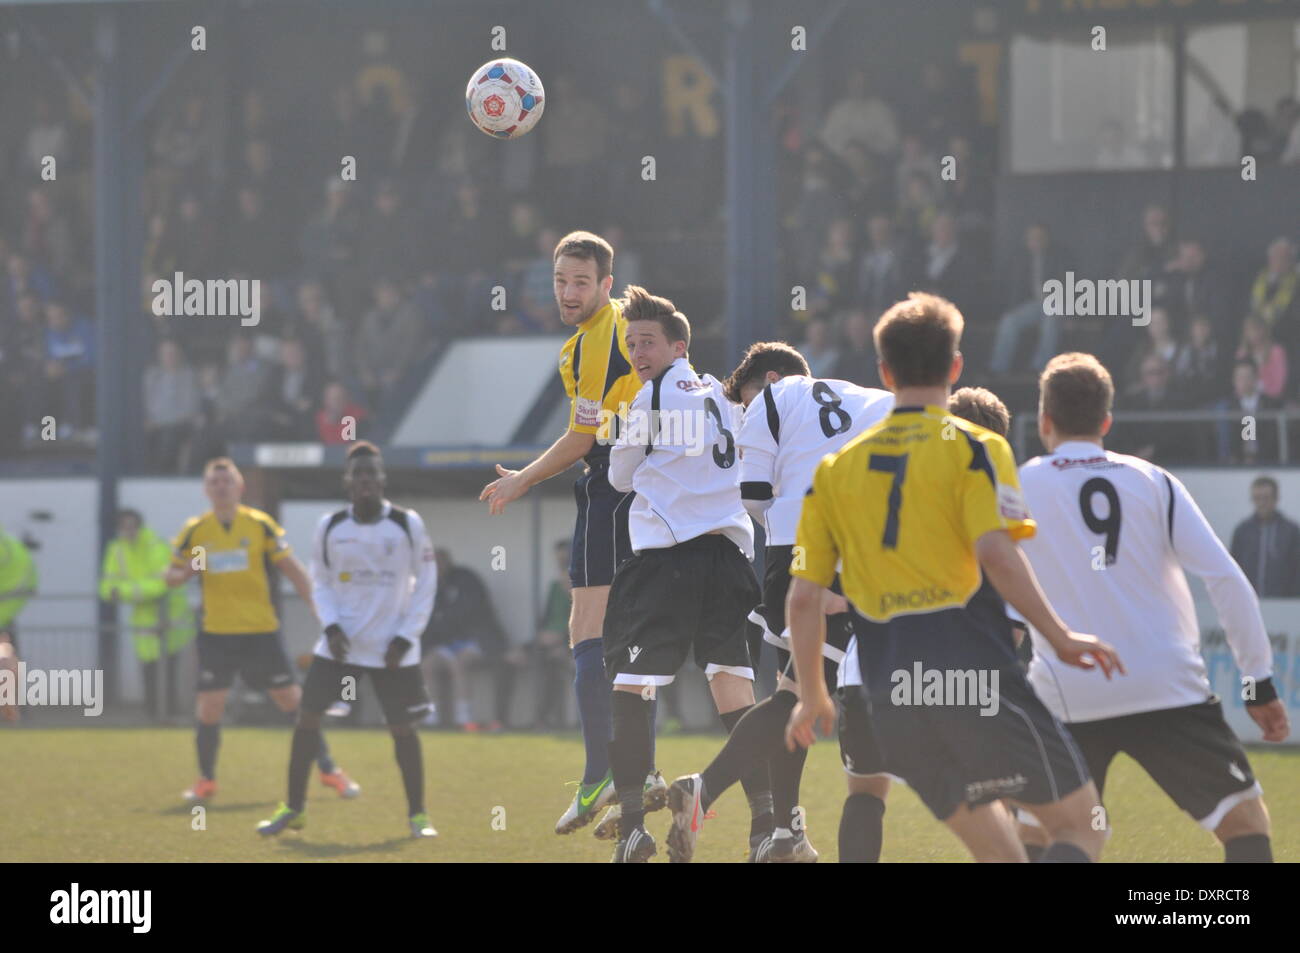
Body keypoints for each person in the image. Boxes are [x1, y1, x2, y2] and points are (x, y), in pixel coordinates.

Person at [784, 292, 1124, 863]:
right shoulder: (978, 447)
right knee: (1081, 828)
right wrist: (1060, 636)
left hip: (892, 698)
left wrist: (811, 695)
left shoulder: (835, 469)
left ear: (885, 372)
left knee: (1004, 855)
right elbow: (998, 555)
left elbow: (801, 600)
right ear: (957, 366)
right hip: (974, 678)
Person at [1015, 353, 1288, 862]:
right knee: (1245, 824)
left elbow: (994, 584)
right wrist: (1258, 682)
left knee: (1045, 834)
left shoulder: (1020, 485)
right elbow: (1226, 580)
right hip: (1163, 685)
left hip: (1067, 689)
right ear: (1106, 422)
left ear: (1045, 421)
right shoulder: (1153, 481)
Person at [665, 341, 894, 864]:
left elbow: (753, 497)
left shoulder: (769, 401)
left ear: (769, 379)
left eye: (743, 404)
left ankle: (785, 833)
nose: (744, 415)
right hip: (855, 551)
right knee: (801, 696)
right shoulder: (877, 400)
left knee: (795, 688)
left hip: (795, 550)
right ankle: (706, 789)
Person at [479, 232, 664, 836]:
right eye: (560, 280)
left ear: (606, 284)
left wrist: (520, 481)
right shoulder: (625, 327)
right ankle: (644, 775)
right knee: (631, 642)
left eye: (580, 281)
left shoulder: (596, 341)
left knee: (587, 631)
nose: (567, 291)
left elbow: (583, 441)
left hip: (612, 490)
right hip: (652, 493)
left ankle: (600, 775)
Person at [602, 287, 769, 863]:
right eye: (629, 343)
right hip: (729, 557)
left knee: (632, 684)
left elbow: (620, 478)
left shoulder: (648, 400)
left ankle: (631, 829)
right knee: (733, 684)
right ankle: (766, 826)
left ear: (678, 346)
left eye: (646, 341)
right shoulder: (727, 400)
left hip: (668, 560)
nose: (636, 352)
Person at [258, 442, 438, 838]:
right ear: (348, 481)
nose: (366, 480)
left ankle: (418, 816)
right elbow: (319, 583)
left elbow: (426, 584)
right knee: (306, 718)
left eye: (372, 473)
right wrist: (331, 627)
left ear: (382, 479)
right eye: (358, 474)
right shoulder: (331, 525)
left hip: (392, 648)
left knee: (402, 729)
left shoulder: (408, 524)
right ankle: (294, 808)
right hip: (341, 645)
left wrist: (407, 637)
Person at [165, 457, 359, 804]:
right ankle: (206, 780)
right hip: (216, 633)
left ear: (240, 487)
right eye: (215, 482)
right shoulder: (197, 531)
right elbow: (175, 573)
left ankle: (329, 769)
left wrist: (322, 612)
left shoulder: (259, 525)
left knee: (293, 702)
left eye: (227, 481)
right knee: (209, 706)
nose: (221, 487)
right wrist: (181, 573)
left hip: (260, 631)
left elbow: (294, 571)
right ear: (206, 490)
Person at [98, 509, 195, 719]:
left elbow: (162, 584)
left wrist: (127, 591)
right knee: (149, 670)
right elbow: (107, 588)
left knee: (169, 670)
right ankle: (154, 715)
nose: (128, 530)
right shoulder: (116, 549)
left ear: (139, 526)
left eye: (132, 525)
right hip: (143, 621)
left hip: (170, 618)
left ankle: (170, 713)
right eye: (124, 526)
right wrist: (136, 592)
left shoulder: (155, 545)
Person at [420, 548, 505, 731]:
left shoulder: (466, 579)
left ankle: (463, 718)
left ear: (447, 562)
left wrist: (444, 622)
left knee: (459, 663)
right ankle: (432, 719)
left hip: (476, 640)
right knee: (427, 665)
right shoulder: (428, 587)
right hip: (444, 644)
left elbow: (468, 614)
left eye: (438, 562)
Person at [1230, 476, 1300, 597]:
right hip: (1249, 602)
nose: (1261, 503)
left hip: (1284, 605)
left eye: (1266, 498)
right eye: (1257, 498)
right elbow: (1234, 567)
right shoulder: (1243, 531)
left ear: (1276, 499)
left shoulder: (1291, 532)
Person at [0, 525, 37, 724]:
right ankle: (16, 710)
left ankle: (13, 710)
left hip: (3, 616)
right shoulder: (10, 545)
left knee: (7, 663)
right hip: (7, 614)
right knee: (9, 661)